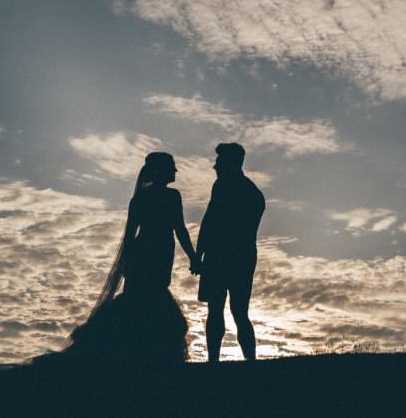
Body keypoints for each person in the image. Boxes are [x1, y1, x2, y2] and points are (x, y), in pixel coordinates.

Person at [63, 151, 199, 363]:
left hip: (146, 250)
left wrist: (129, 261)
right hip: (156, 251)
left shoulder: (140, 198)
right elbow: (179, 229)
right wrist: (193, 258)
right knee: (151, 298)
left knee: (140, 299)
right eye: (172, 166)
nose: (175, 170)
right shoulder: (171, 196)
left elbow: (131, 236)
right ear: (161, 170)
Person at [196, 142, 265, 362]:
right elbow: (209, 222)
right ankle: (227, 360)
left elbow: (210, 223)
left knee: (231, 311)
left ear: (231, 163)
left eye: (219, 161)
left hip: (228, 256)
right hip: (233, 255)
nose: (214, 166)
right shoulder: (244, 190)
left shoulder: (233, 188)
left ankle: (223, 361)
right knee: (229, 310)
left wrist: (200, 255)